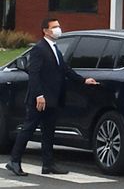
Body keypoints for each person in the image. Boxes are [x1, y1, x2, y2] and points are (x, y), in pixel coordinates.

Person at [6, 18, 99, 177]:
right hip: (39, 100)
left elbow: (65, 69)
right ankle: (14, 161)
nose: (58, 29)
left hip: (53, 99)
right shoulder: (39, 49)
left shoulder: (55, 49)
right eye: (54, 27)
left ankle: (48, 164)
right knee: (28, 129)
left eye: (58, 26)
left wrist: (83, 80)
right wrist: (39, 95)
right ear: (45, 30)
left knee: (48, 132)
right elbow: (34, 74)